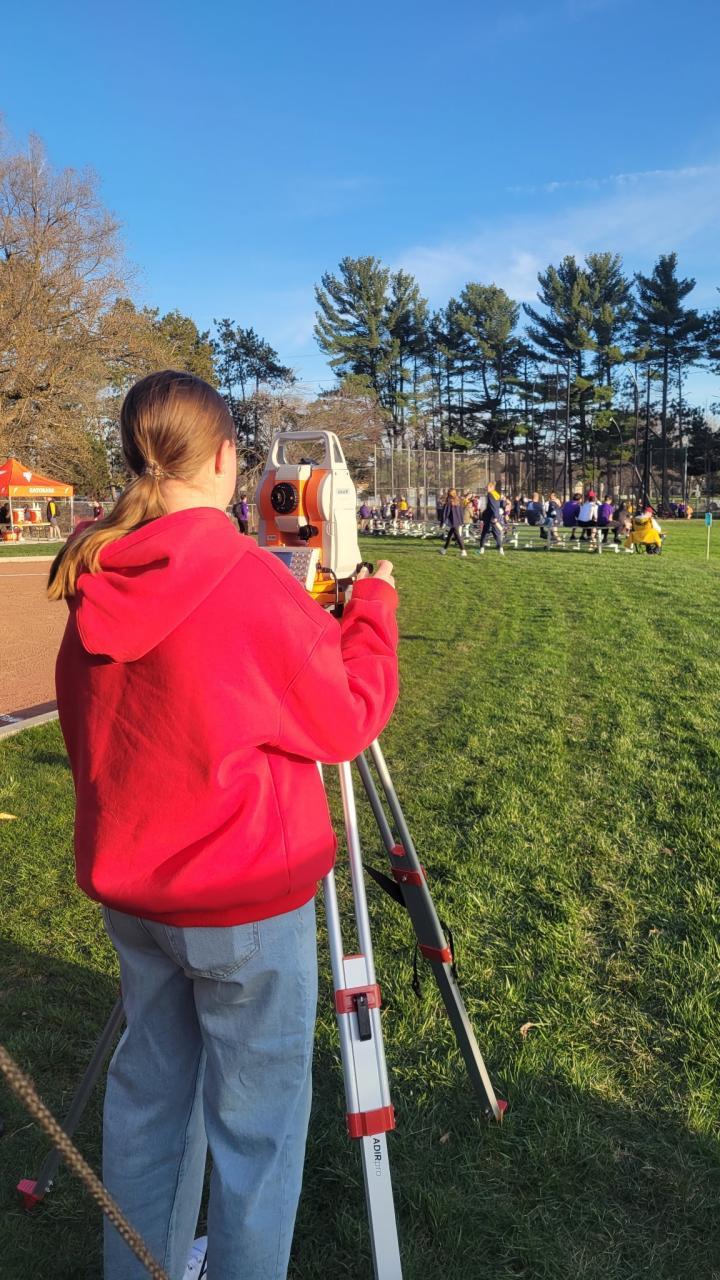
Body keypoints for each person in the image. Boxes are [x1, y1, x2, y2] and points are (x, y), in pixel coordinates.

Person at [48, 370, 399, 1280]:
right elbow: (344, 721)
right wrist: (372, 611)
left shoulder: (94, 571)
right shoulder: (246, 579)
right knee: (255, 1131)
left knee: (149, 1108)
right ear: (224, 459)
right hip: (243, 903)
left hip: (138, 900)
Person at [477, 482, 504, 556]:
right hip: (495, 516)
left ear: (492, 487)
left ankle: (482, 549)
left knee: (485, 533)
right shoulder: (496, 494)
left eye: (488, 487)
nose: (486, 488)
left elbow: (493, 506)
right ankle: (501, 549)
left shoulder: (490, 494)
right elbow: (499, 505)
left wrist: (495, 517)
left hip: (491, 517)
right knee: (496, 533)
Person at [439, 488, 467, 557]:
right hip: (458, 520)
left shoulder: (449, 501)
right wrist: (461, 521)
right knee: (450, 535)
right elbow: (462, 511)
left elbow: (446, 513)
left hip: (454, 521)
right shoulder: (459, 500)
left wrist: (442, 522)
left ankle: (463, 551)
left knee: (458, 536)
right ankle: (444, 549)